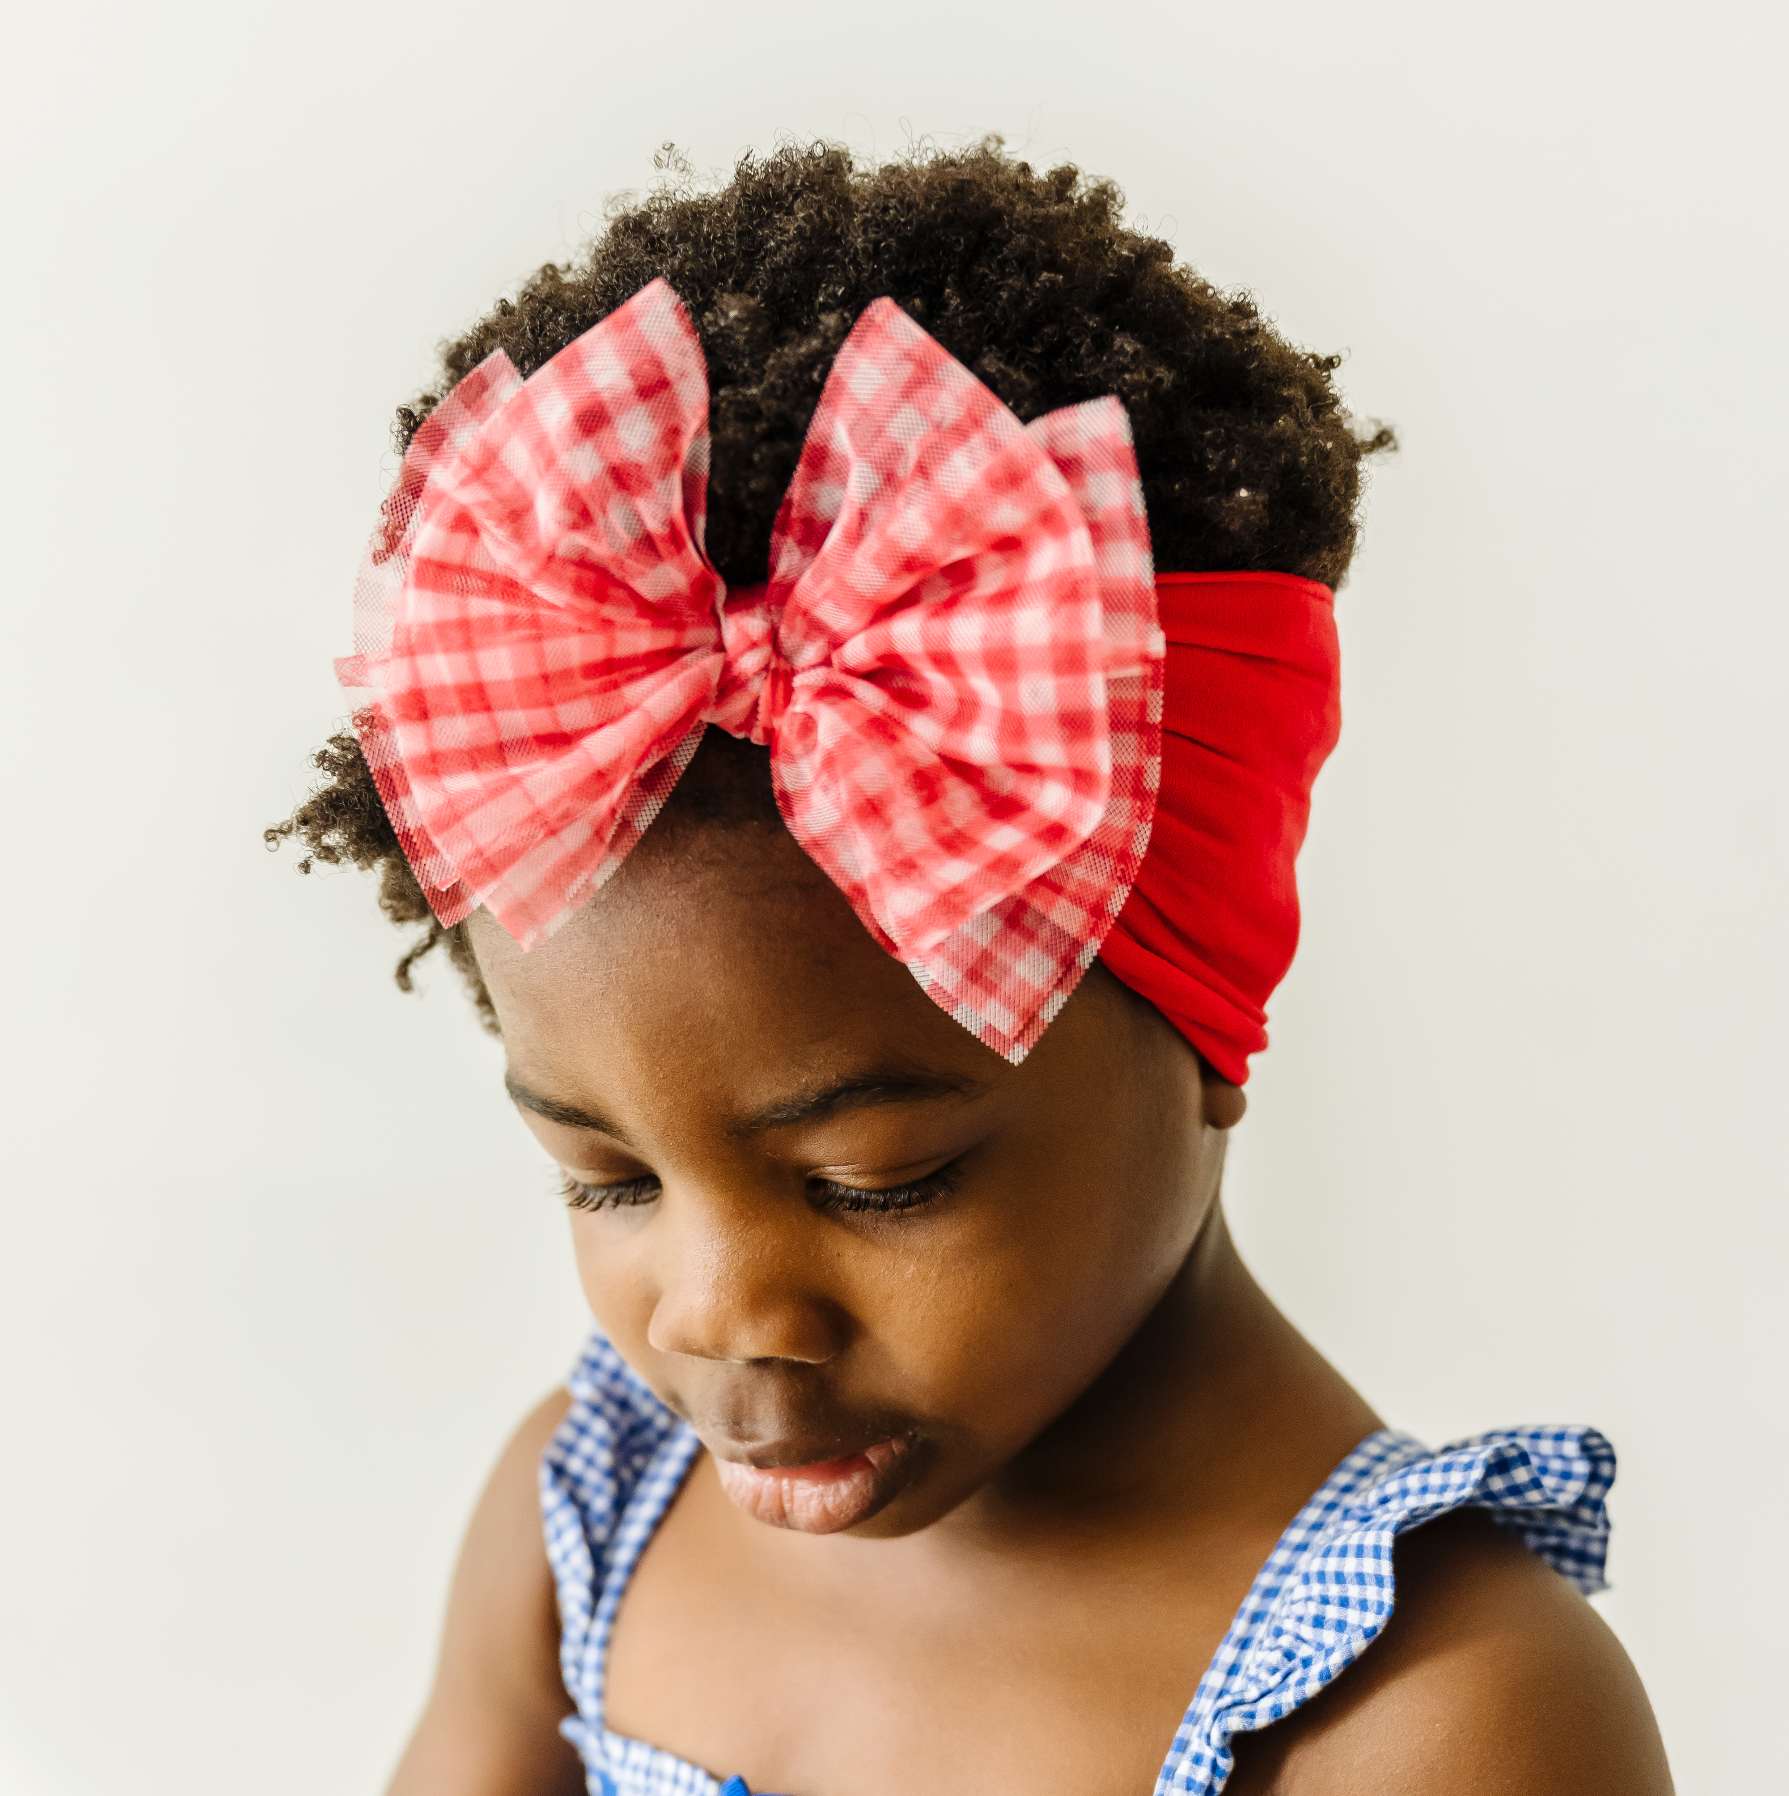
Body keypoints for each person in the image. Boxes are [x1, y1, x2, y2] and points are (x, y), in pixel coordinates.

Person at [269, 141, 1671, 1796]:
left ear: (1204, 1014)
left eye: (878, 1179)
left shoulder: (1432, 1717)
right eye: (609, 1178)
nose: (715, 1314)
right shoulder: (591, 1525)